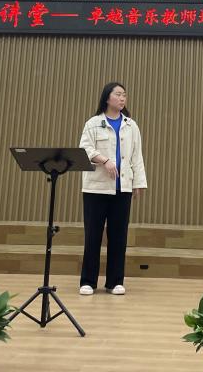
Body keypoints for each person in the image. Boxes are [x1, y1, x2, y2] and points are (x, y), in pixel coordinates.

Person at [78, 81, 147, 296]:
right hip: (95, 189)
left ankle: (115, 282)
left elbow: (137, 156)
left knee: (118, 236)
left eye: (124, 95)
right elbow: (85, 149)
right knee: (93, 235)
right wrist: (105, 160)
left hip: (122, 189)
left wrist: (138, 183)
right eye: (118, 94)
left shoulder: (131, 125)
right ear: (107, 97)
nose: (122, 98)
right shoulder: (93, 123)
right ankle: (88, 282)